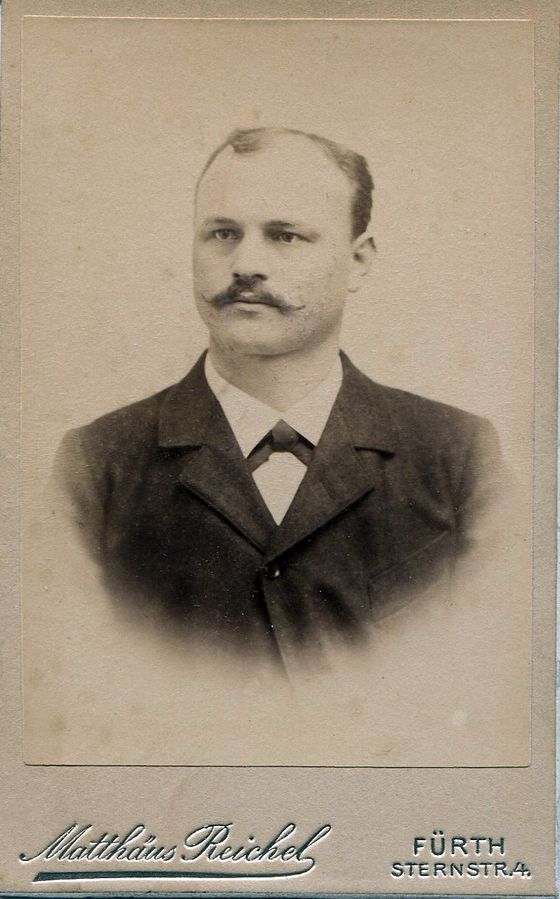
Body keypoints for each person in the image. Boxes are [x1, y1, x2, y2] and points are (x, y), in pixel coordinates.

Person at [54, 126, 501, 671]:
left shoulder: (457, 455)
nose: (245, 264)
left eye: (285, 236)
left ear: (359, 261)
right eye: (222, 233)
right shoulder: (97, 464)